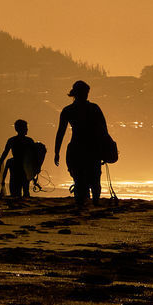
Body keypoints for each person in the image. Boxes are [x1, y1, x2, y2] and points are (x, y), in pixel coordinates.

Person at [54, 80, 108, 209]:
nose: (86, 95)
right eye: (85, 92)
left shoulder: (68, 110)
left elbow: (60, 132)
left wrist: (57, 152)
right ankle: (94, 202)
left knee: (80, 178)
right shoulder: (94, 108)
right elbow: (104, 130)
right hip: (91, 148)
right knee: (93, 178)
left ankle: (82, 203)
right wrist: (104, 149)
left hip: (77, 148)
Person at [0, 119, 39, 199]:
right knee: (25, 193)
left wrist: (0, 164)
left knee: (15, 194)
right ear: (20, 129)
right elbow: (34, 157)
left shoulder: (12, 141)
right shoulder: (29, 141)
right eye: (25, 128)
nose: (27, 129)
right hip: (24, 169)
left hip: (16, 170)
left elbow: (5, 153)